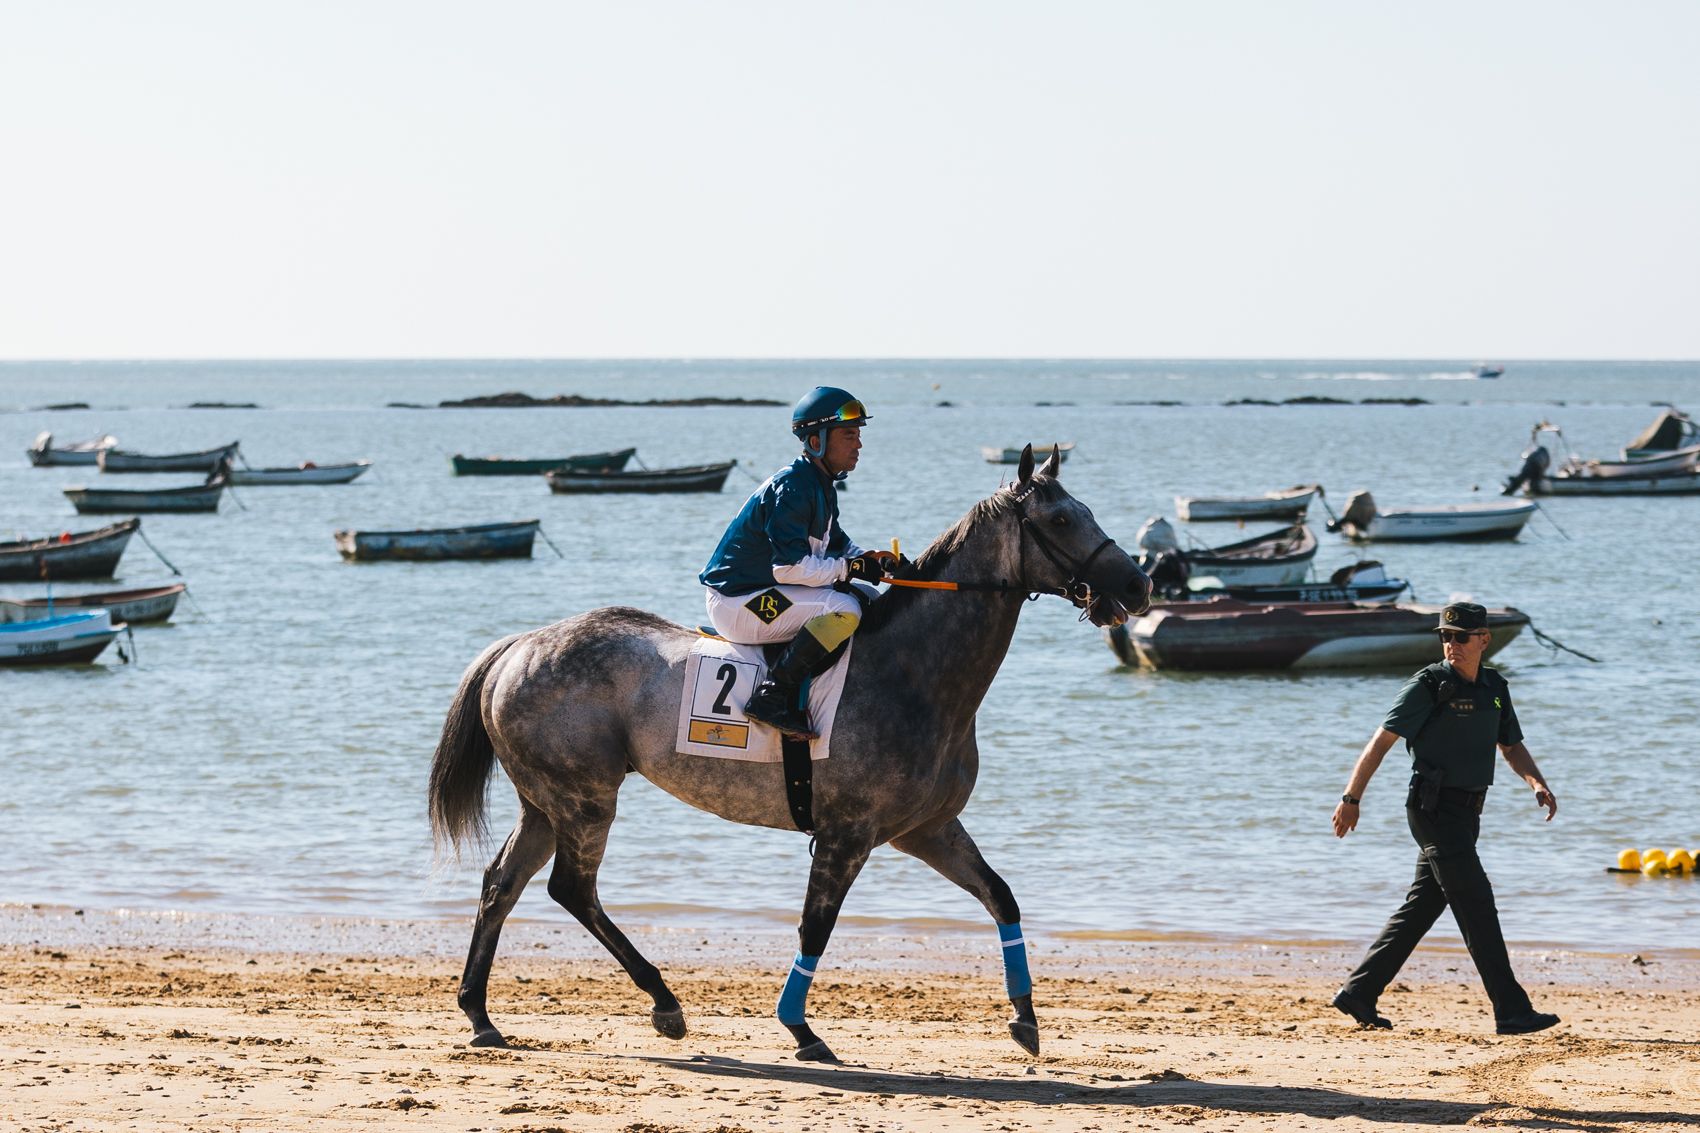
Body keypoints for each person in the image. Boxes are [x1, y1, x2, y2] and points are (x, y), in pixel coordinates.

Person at [1329, 602, 1560, 1035]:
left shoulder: (1494, 687)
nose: (1451, 644)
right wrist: (1351, 797)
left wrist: (1536, 783)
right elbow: (1379, 742)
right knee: (1477, 905)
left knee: (1422, 907)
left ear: (1483, 639)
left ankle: (1359, 991)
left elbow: (1510, 746)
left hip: (1469, 812)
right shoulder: (1428, 685)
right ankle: (1511, 1009)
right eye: (1445, 636)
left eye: (1461, 636)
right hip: (1433, 811)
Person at [699, 386, 896, 739]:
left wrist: (874, 560)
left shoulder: (820, 484)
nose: (859, 444)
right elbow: (787, 568)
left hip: (762, 591)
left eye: (859, 434)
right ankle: (772, 696)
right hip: (739, 603)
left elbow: (839, 545)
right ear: (817, 440)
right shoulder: (793, 488)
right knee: (844, 609)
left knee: (866, 594)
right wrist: (849, 569)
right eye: (849, 434)